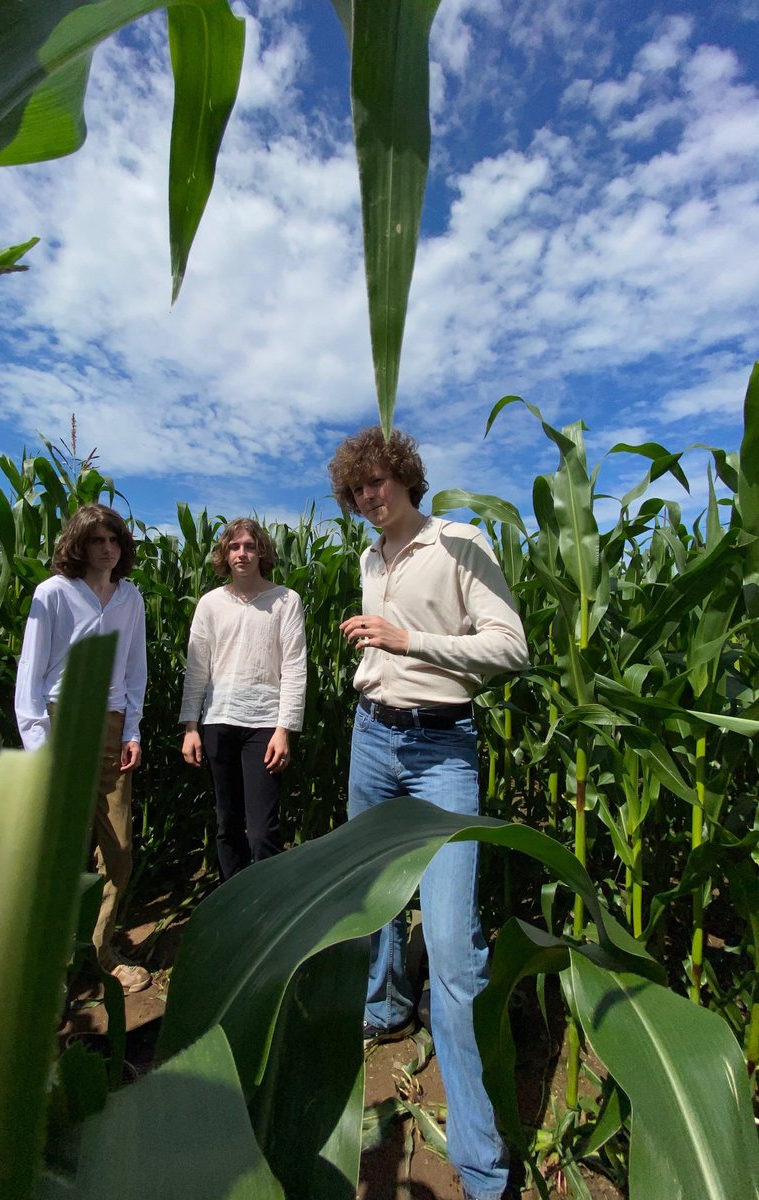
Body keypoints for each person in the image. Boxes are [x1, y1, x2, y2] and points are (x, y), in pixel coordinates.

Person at [329, 428, 528, 1200]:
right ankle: (382, 1010)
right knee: (368, 899)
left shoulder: (460, 543)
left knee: (452, 945)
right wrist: (374, 661)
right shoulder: (369, 558)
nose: (368, 498)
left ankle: (481, 1164)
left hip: (441, 751)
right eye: (356, 491)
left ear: (406, 478)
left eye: (377, 484)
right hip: (372, 737)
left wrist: (407, 641)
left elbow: (510, 649)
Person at [15, 503, 151, 994]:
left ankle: (99, 951)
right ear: (79, 544)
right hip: (62, 720)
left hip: (111, 727)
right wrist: (41, 749)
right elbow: (30, 677)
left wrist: (132, 731)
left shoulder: (129, 598)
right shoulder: (52, 594)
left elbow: (135, 670)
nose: (108, 548)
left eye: (114, 540)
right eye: (97, 540)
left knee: (118, 852)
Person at [179, 518, 307, 881]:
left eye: (249, 546)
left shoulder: (285, 601)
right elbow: (197, 668)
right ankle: (233, 909)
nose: (242, 553)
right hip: (218, 721)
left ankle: (267, 912)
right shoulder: (210, 604)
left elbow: (295, 668)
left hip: (264, 725)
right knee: (227, 824)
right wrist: (191, 726)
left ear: (261, 552)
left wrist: (284, 729)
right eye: (234, 547)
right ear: (224, 554)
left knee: (264, 830)